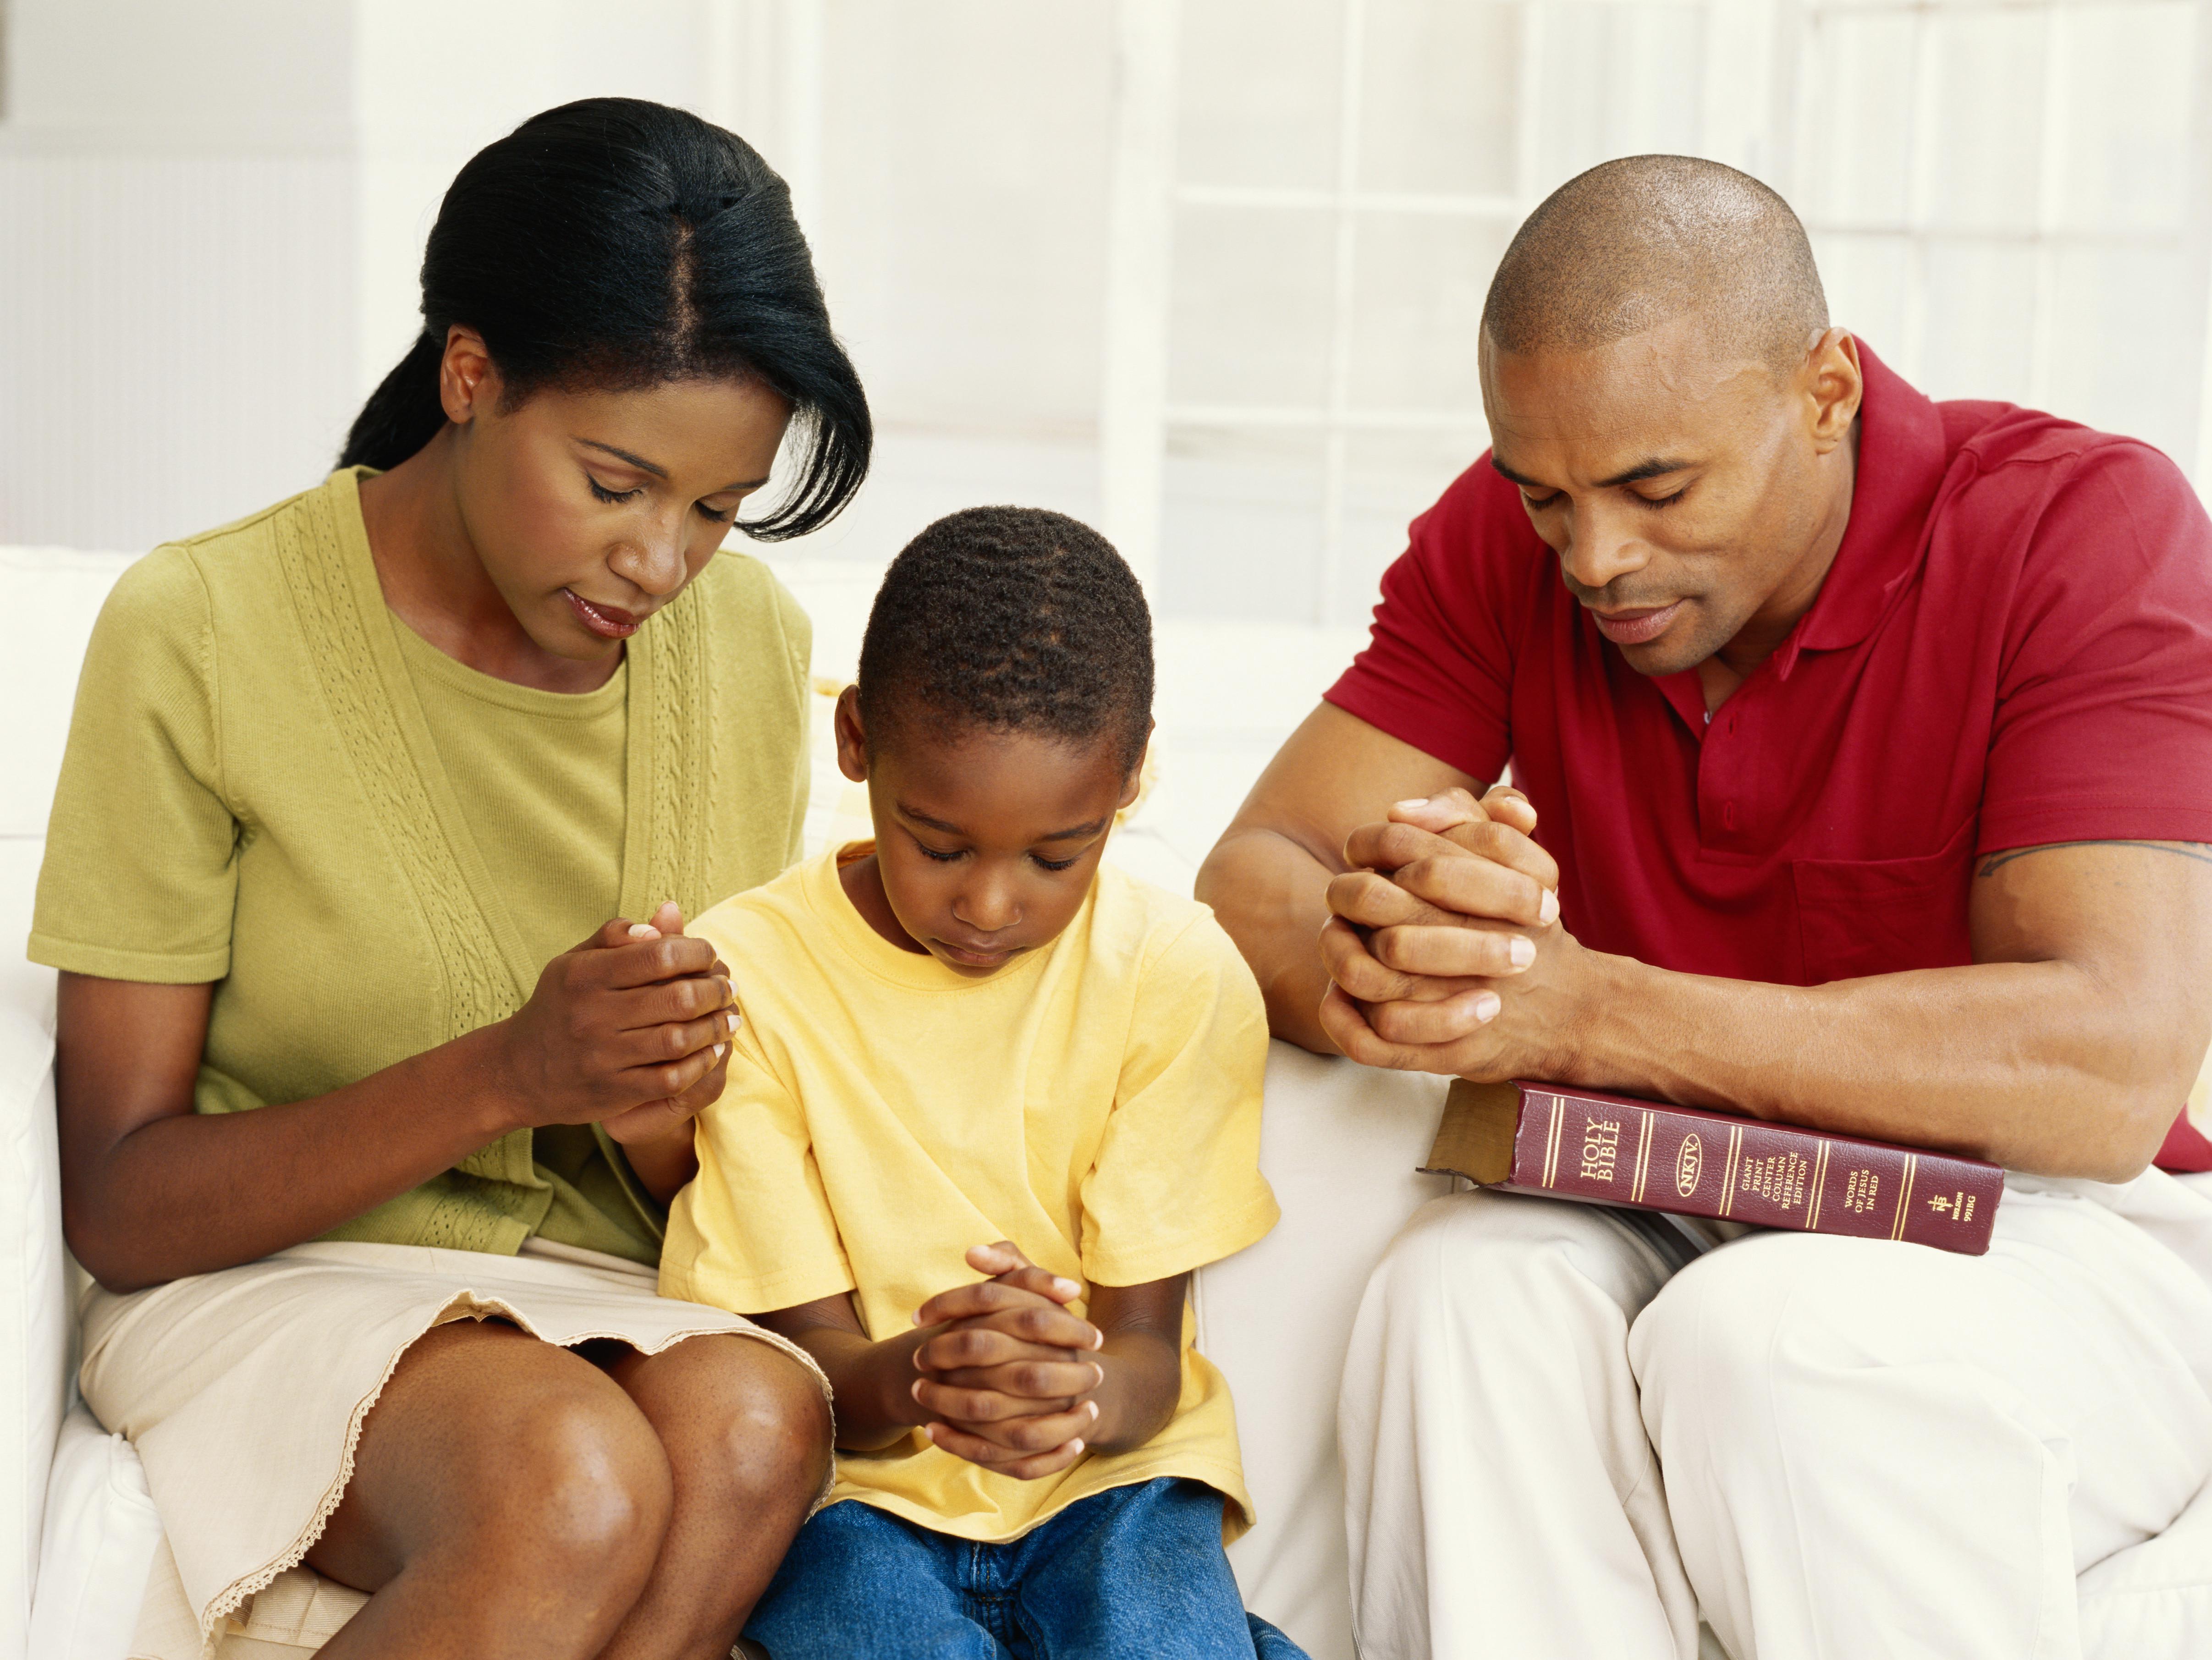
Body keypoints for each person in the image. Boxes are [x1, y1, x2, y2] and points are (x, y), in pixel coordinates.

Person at [1197, 154, 2212, 1660]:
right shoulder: (1516, 538)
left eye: (1657, 490)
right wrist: (1417, 955)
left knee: (1772, 1336)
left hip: (2047, 1229)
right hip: (1674, 1187)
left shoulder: (2077, 525)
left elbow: (2104, 1070)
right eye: (1546, 496)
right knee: (1456, 1296)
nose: (1595, 557)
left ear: (1824, 391)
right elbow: (1256, 871)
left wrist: (1586, 1010)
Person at [33, 99, 870, 1660]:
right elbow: (123, 1202)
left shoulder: (748, 646)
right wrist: (510, 1070)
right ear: (470, 377)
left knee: (759, 1423)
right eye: (615, 483)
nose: (661, 564)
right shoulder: (201, 627)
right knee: (570, 1479)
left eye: (715, 508)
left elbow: (719, 1173)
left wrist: (662, 1107)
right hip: (269, 1277)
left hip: (616, 1290)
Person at [643, 507, 1305, 1659]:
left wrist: (1073, 1390)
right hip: (857, 1501)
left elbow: (1145, 1352)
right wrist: (924, 1377)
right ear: (856, 738)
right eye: (940, 845)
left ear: (1132, 772)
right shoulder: (750, 974)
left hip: (1117, 1482)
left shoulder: (1170, 968)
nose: (991, 905)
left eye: (1057, 854)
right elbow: (814, 1369)